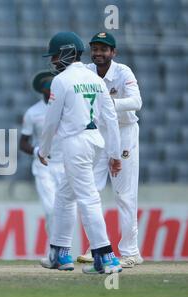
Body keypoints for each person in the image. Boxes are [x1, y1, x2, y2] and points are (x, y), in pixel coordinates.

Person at [38, 31, 123, 274]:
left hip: (75, 144)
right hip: (95, 143)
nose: (53, 61)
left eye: (55, 56)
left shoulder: (62, 80)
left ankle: (105, 257)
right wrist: (114, 154)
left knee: (87, 198)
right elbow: (110, 119)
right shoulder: (95, 79)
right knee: (65, 196)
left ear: (66, 53)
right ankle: (59, 254)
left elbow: (51, 121)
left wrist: (43, 149)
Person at [76, 32, 143, 268]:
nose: (98, 53)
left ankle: (131, 252)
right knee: (91, 192)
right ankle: (97, 246)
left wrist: (108, 103)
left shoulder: (123, 72)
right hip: (98, 135)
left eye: (103, 49)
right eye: (94, 49)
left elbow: (137, 102)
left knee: (123, 194)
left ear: (113, 53)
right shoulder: (85, 72)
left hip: (124, 134)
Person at [19, 71, 64, 236]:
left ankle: (58, 247)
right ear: (43, 90)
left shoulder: (67, 108)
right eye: (49, 87)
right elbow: (23, 143)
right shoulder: (33, 113)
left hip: (65, 164)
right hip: (43, 166)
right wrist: (38, 151)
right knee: (51, 208)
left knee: (64, 210)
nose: (52, 90)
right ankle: (55, 249)